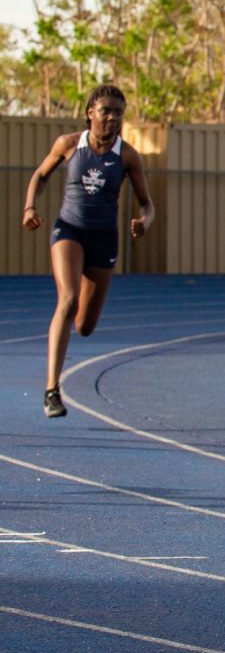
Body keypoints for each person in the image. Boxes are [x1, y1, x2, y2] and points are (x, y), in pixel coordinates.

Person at [22, 84, 155, 418]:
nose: (112, 118)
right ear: (90, 113)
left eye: (119, 112)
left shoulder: (128, 156)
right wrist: (29, 207)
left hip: (104, 239)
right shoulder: (69, 144)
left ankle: (76, 326)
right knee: (67, 299)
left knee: (84, 326)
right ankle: (52, 390)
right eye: (106, 111)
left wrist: (144, 221)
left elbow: (148, 204)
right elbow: (40, 175)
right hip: (70, 230)